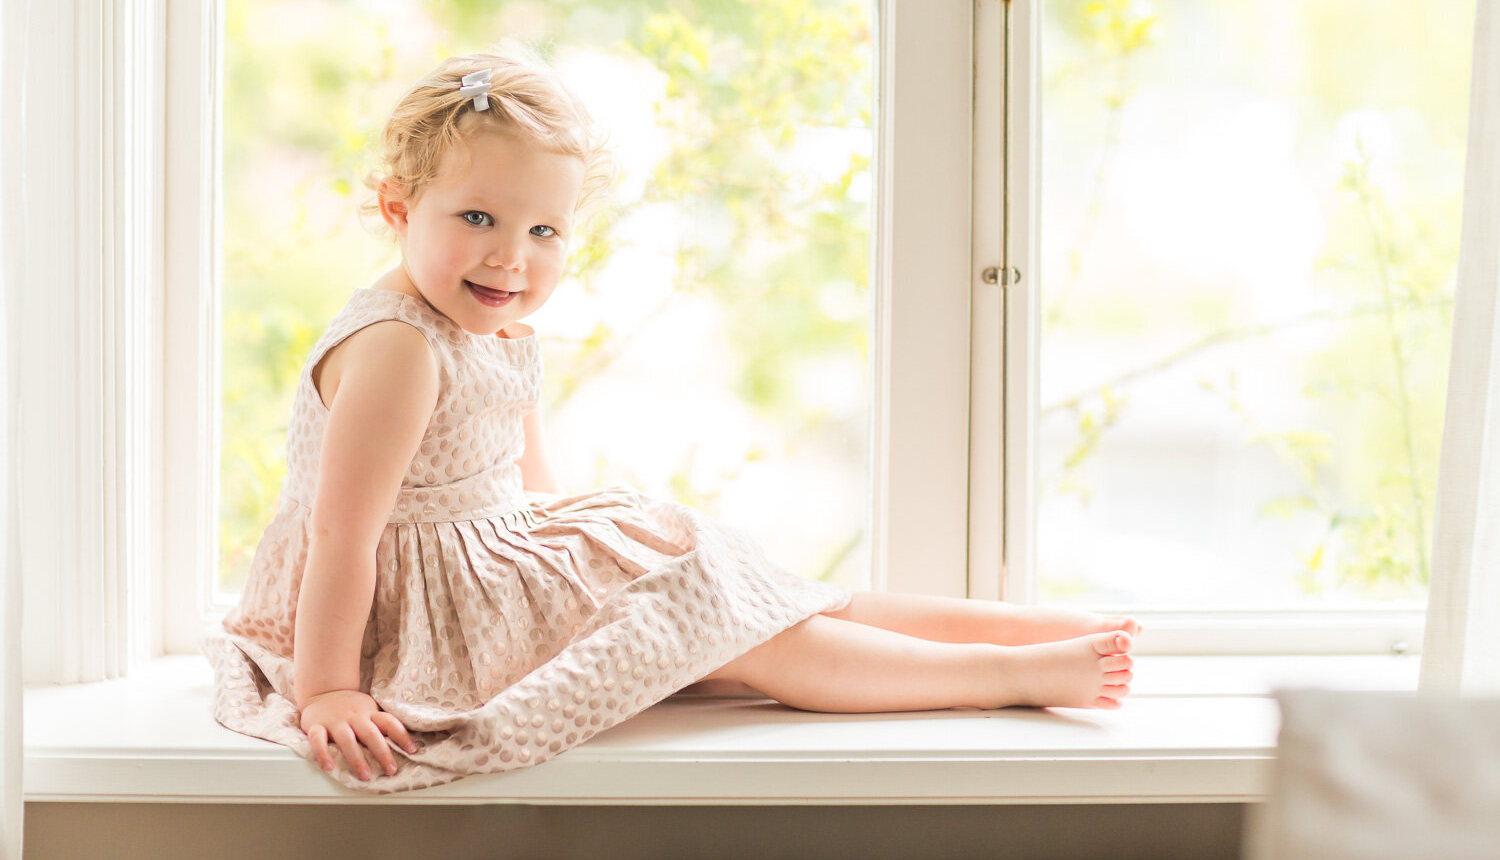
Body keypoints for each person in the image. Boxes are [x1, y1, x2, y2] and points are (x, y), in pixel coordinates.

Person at [200, 45, 1138, 795]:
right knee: (751, 637)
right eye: (477, 217)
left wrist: (584, 571)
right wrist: (328, 688)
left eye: (543, 232)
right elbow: (340, 533)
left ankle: (1012, 629)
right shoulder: (401, 346)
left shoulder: (497, 324)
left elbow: (532, 485)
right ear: (398, 209)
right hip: (413, 614)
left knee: (752, 592)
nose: (511, 260)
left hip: (496, 565)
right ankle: (1012, 677)